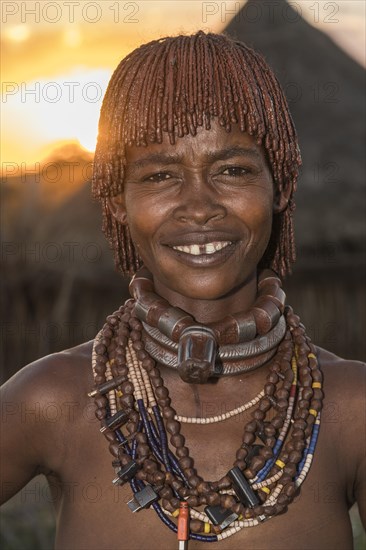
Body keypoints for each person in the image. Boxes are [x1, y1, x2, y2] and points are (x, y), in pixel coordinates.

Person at [1, 31, 365, 550]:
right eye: (159, 176)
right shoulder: (53, 400)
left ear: (279, 185)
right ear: (117, 201)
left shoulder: (351, 410)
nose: (198, 206)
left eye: (233, 170)